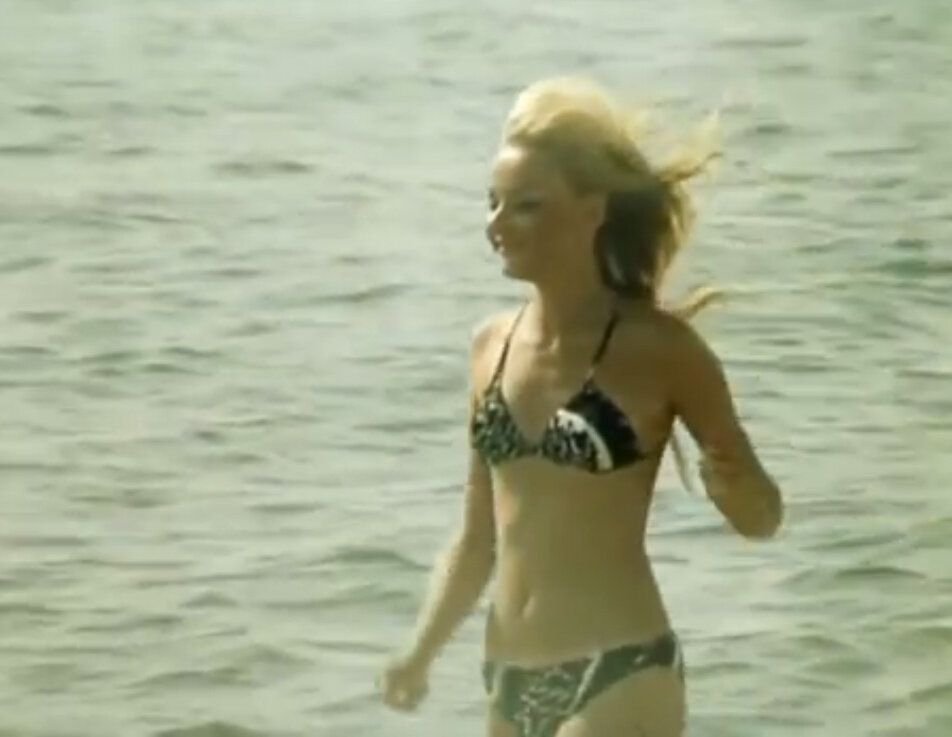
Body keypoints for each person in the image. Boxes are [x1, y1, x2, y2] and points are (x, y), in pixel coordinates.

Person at [377, 77, 784, 737]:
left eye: (525, 207)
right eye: (492, 203)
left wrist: (734, 490)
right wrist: (420, 652)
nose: (496, 225)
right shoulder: (489, 348)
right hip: (508, 684)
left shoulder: (660, 348)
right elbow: (479, 537)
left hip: (623, 671)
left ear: (592, 209)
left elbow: (762, 518)